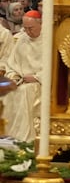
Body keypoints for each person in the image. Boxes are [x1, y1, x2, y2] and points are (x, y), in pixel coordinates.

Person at [2, 11, 47, 140]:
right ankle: (8, 135)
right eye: (25, 28)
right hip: (21, 81)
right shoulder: (22, 40)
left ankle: (26, 138)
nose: (27, 31)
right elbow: (11, 64)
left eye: (31, 28)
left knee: (25, 91)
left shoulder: (49, 40)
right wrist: (14, 77)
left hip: (40, 83)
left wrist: (37, 77)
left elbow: (53, 66)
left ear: (40, 24)